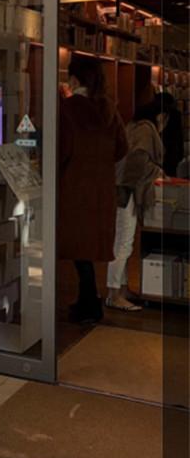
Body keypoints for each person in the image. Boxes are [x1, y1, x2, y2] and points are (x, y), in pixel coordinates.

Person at [58, 54, 128, 324]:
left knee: (77, 247)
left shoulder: (68, 109)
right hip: (101, 191)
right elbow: (121, 148)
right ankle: (89, 300)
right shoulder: (109, 109)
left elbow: (61, 149)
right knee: (87, 249)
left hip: (74, 189)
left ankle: (89, 302)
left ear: (75, 79)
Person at [105, 99, 166, 310]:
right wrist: (156, 171)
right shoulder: (146, 130)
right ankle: (114, 294)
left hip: (120, 188)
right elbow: (137, 161)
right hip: (127, 191)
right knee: (124, 243)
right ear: (161, 116)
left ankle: (121, 289)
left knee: (122, 241)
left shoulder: (133, 126)